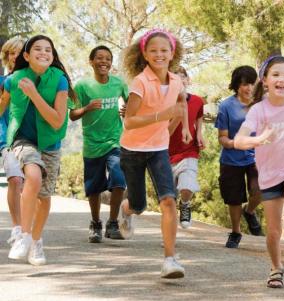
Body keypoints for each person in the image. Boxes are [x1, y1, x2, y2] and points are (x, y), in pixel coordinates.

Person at [119, 28, 192, 279]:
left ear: (172, 53)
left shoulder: (176, 81)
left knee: (168, 200)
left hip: (159, 149)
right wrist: (161, 116)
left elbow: (179, 105)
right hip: (132, 149)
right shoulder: (140, 82)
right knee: (139, 204)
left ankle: (170, 260)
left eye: (164, 50)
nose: (159, 54)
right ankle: (126, 210)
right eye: (153, 51)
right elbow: (129, 121)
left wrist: (178, 131)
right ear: (145, 54)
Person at [0, 34, 76, 265]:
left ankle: (36, 241)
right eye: (37, 49)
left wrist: (33, 93)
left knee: (44, 197)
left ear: (53, 56)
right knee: (31, 175)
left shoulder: (60, 80)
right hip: (23, 140)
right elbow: (3, 104)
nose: (44, 53)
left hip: (51, 143)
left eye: (48, 50)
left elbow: (56, 120)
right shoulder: (13, 80)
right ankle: (23, 235)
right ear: (26, 55)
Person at [234, 56, 284, 288]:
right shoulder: (258, 110)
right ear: (264, 80)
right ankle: (276, 268)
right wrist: (260, 139)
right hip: (270, 175)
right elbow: (240, 140)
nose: (282, 79)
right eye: (276, 75)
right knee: (273, 230)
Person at [69, 45, 128, 243]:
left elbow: (134, 105)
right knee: (94, 188)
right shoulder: (82, 86)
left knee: (119, 179)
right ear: (91, 62)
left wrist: (128, 111)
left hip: (115, 141)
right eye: (100, 58)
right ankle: (95, 223)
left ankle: (112, 223)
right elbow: (72, 115)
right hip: (92, 144)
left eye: (108, 58)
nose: (104, 61)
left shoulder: (119, 83)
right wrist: (87, 108)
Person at [215, 65, 263, 249]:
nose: (249, 88)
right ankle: (235, 232)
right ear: (237, 85)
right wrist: (236, 143)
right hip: (231, 159)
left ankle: (249, 211)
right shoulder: (226, 106)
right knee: (234, 198)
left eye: (252, 83)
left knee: (260, 189)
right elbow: (222, 137)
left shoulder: (262, 104)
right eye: (244, 84)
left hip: (257, 157)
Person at [168, 66, 205, 228]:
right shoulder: (165, 102)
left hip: (189, 150)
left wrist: (199, 135)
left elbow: (199, 117)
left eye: (182, 77)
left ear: (187, 80)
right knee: (168, 196)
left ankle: (185, 204)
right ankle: (169, 231)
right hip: (165, 153)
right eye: (174, 78)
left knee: (187, 185)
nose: (179, 80)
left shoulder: (197, 101)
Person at [0, 37, 25, 245]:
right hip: (7, 139)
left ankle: (26, 227)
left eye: (19, 52)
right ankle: (17, 228)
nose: (15, 56)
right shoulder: (3, 83)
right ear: (7, 57)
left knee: (30, 186)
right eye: (11, 53)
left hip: (33, 140)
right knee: (15, 180)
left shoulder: (36, 80)